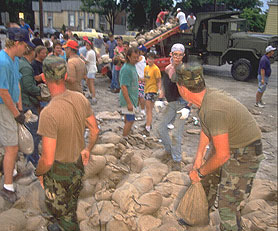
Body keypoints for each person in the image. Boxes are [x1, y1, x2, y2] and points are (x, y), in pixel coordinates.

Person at [176, 63, 263, 231]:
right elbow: (207, 129)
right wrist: (199, 157)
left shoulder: (213, 108)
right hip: (230, 143)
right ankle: (199, 216)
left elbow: (222, 155)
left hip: (246, 151)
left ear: (183, 89)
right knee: (207, 180)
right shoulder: (205, 99)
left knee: (227, 204)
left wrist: (199, 172)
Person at [35, 56, 99, 231]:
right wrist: (87, 149)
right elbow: (94, 130)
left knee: (63, 215)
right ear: (64, 77)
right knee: (69, 206)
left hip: (59, 174)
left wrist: (39, 173)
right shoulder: (80, 98)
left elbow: (47, 160)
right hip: (77, 167)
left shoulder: (48, 113)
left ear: (44, 78)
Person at [0, 28, 34, 203]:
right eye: (24, 45)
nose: (26, 49)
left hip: (11, 105)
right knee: (11, 147)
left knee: (12, 144)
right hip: (3, 106)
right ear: (16, 43)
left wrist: (20, 107)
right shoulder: (3, 62)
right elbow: (3, 91)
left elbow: (17, 85)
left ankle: (11, 171)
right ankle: (7, 187)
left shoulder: (14, 60)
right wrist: (14, 112)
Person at [156, 44, 190, 171]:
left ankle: (176, 160)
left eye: (180, 55)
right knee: (160, 128)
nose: (177, 57)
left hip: (183, 103)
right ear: (171, 54)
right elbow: (166, 85)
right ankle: (169, 151)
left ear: (183, 56)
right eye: (175, 54)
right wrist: (160, 98)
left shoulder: (185, 70)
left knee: (176, 133)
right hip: (171, 103)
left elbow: (193, 90)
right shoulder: (168, 69)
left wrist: (188, 106)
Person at [19, 45, 41, 167]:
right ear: (32, 52)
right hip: (28, 103)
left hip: (23, 102)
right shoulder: (26, 67)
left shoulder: (20, 63)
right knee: (33, 134)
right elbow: (28, 86)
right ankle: (32, 162)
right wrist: (40, 92)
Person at [119, 47, 139, 137]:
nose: (136, 59)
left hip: (132, 97)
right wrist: (129, 103)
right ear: (128, 57)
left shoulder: (132, 66)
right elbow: (123, 87)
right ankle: (124, 137)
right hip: (128, 98)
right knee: (130, 120)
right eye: (134, 57)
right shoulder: (126, 69)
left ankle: (126, 134)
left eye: (137, 57)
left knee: (128, 118)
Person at [142, 52, 161, 136]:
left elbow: (159, 80)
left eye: (151, 59)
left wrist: (159, 91)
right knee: (148, 110)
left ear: (154, 60)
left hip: (152, 90)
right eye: (148, 58)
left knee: (149, 109)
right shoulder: (146, 68)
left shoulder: (156, 69)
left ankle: (148, 127)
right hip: (146, 89)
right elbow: (145, 79)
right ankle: (148, 124)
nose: (150, 60)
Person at [80, 38, 98, 105]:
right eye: (86, 45)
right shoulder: (92, 52)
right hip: (91, 69)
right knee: (88, 82)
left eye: (87, 45)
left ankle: (93, 97)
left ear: (90, 46)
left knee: (91, 83)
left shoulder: (90, 52)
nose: (86, 46)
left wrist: (82, 57)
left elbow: (86, 61)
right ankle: (91, 94)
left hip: (91, 69)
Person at [136, 44, 147, 116]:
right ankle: (137, 108)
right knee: (137, 95)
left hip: (141, 79)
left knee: (141, 96)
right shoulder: (142, 58)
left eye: (140, 51)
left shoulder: (141, 58)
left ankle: (142, 110)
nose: (138, 52)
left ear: (143, 52)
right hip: (139, 79)